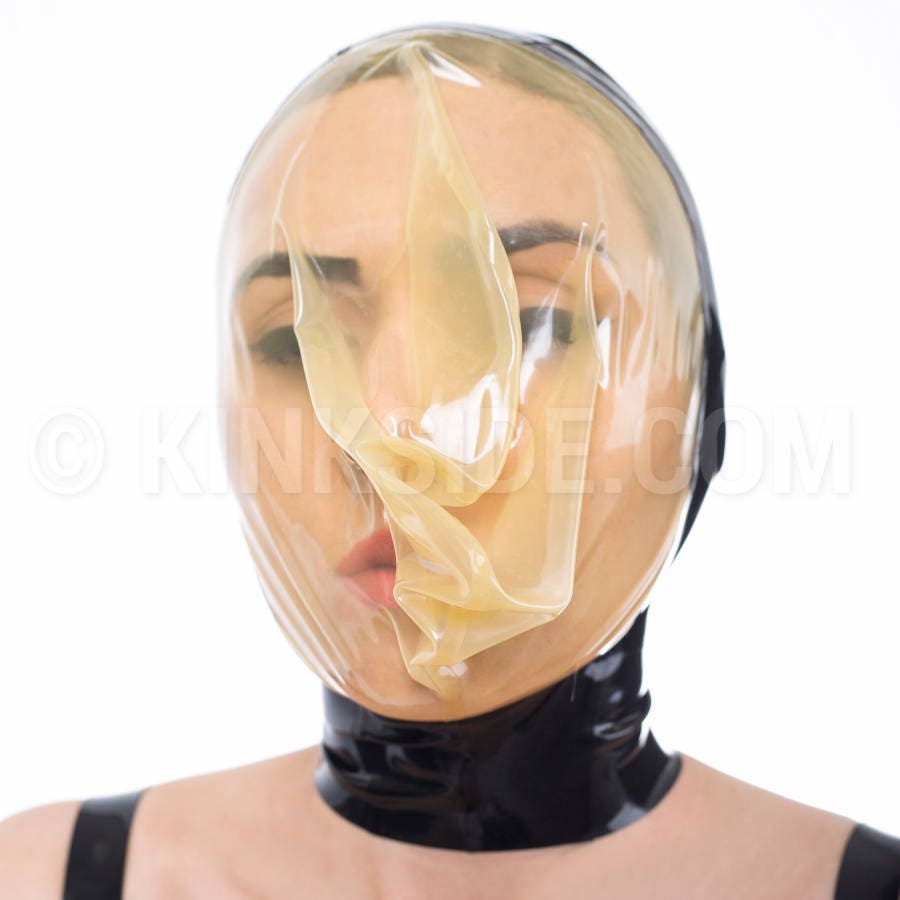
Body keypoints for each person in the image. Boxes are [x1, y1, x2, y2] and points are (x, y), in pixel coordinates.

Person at [1, 24, 898, 900]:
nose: (392, 433)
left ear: (699, 401)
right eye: (294, 341)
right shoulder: (46, 880)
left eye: (527, 322)